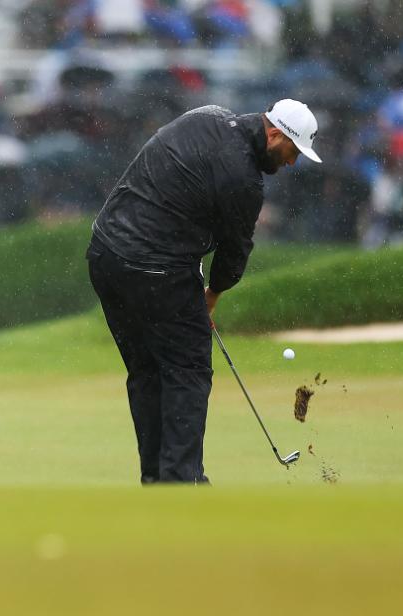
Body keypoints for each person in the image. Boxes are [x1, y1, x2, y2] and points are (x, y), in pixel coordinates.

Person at [86, 99, 321, 484]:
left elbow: (166, 180)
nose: (291, 163)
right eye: (292, 151)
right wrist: (211, 295)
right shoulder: (244, 180)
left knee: (147, 371)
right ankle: (180, 482)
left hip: (106, 256)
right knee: (187, 370)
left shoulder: (206, 115)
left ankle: (158, 479)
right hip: (155, 269)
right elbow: (234, 255)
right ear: (275, 134)